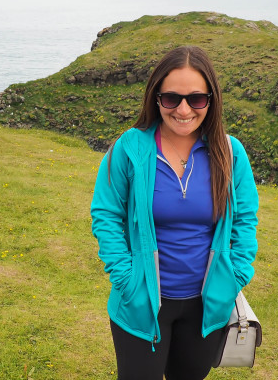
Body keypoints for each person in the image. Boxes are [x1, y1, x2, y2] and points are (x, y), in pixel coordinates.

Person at [90, 46, 259, 380]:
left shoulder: (230, 153)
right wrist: (126, 280)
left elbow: (245, 220)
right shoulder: (130, 148)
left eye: (196, 99)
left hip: (206, 305)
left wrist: (235, 275)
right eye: (171, 98)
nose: (183, 109)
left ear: (211, 100)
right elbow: (105, 214)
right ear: (156, 98)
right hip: (141, 304)